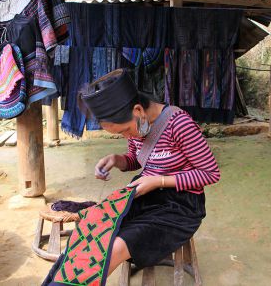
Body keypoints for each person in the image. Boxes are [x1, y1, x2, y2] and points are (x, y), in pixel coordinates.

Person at [78, 68, 221, 276]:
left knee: (118, 245)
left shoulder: (179, 124)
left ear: (138, 110)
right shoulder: (138, 125)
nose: (126, 135)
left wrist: (159, 181)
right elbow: (137, 159)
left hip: (181, 206)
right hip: (146, 194)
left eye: (124, 130)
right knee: (98, 226)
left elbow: (210, 173)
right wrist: (117, 160)